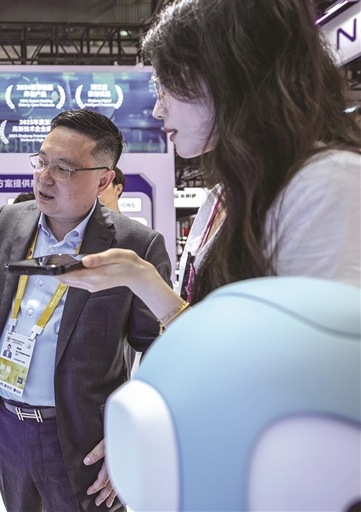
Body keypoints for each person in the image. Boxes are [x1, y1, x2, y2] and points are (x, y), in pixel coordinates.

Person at [56, 2, 361, 504]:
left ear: (227, 74)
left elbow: (319, 393)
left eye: (167, 87)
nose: (158, 110)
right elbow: (216, 343)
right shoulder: (224, 198)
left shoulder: (326, 187)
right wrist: (142, 280)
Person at [0, 109, 172, 511]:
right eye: (41, 161)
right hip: (7, 426)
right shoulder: (11, 219)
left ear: (103, 180)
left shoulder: (136, 246)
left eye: (64, 168)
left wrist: (132, 431)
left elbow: (158, 349)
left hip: (84, 438)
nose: (44, 177)